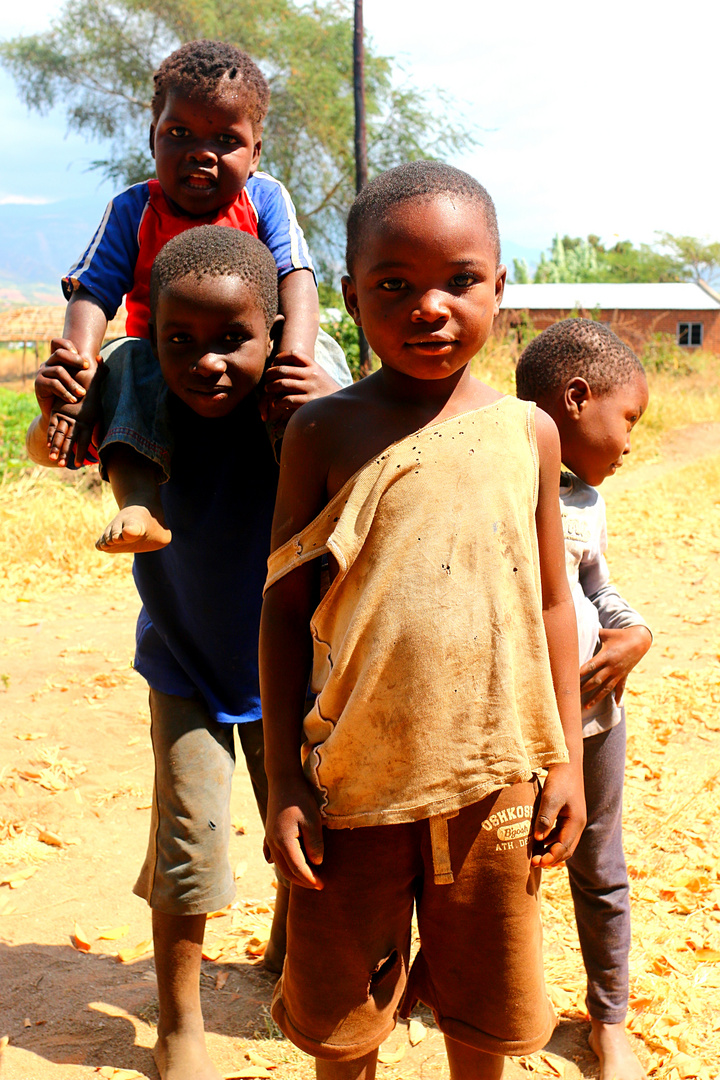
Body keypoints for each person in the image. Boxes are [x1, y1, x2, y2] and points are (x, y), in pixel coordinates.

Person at [258, 161, 587, 1080]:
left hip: (494, 783)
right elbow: (284, 613)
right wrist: (285, 775)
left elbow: (554, 601)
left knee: (481, 1024)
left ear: (500, 288)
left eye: (459, 281)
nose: (429, 307)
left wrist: (562, 756)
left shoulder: (530, 432)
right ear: (354, 295)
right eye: (394, 286)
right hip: (353, 787)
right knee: (344, 1025)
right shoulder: (322, 432)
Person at [28, 226, 348, 1080]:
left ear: (278, 331)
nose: (206, 362)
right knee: (189, 841)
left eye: (233, 341)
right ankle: (180, 1024)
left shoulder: (305, 391)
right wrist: (55, 405)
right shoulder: (143, 385)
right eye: (181, 340)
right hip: (188, 663)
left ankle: (287, 959)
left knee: (309, 830)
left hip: (300, 669)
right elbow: (46, 450)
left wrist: (315, 393)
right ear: (157, 329)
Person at [44, 38, 347, 553]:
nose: (200, 153)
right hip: (166, 365)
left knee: (317, 357)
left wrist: (294, 358)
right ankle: (140, 498)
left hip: (254, 357)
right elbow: (92, 291)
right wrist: (78, 368)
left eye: (225, 139)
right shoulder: (132, 209)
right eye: (178, 133)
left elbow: (296, 277)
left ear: (255, 154)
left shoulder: (266, 197)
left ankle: (336, 471)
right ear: (152, 139)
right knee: (123, 357)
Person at [516, 318, 652, 1080]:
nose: (631, 442)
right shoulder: (495, 479)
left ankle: (609, 1022)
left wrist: (632, 633)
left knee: (599, 863)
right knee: (505, 864)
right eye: (627, 419)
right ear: (577, 398)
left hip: (595, 716)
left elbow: (593, 583)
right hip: (514, 722)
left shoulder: (588, 501)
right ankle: (487, 991)